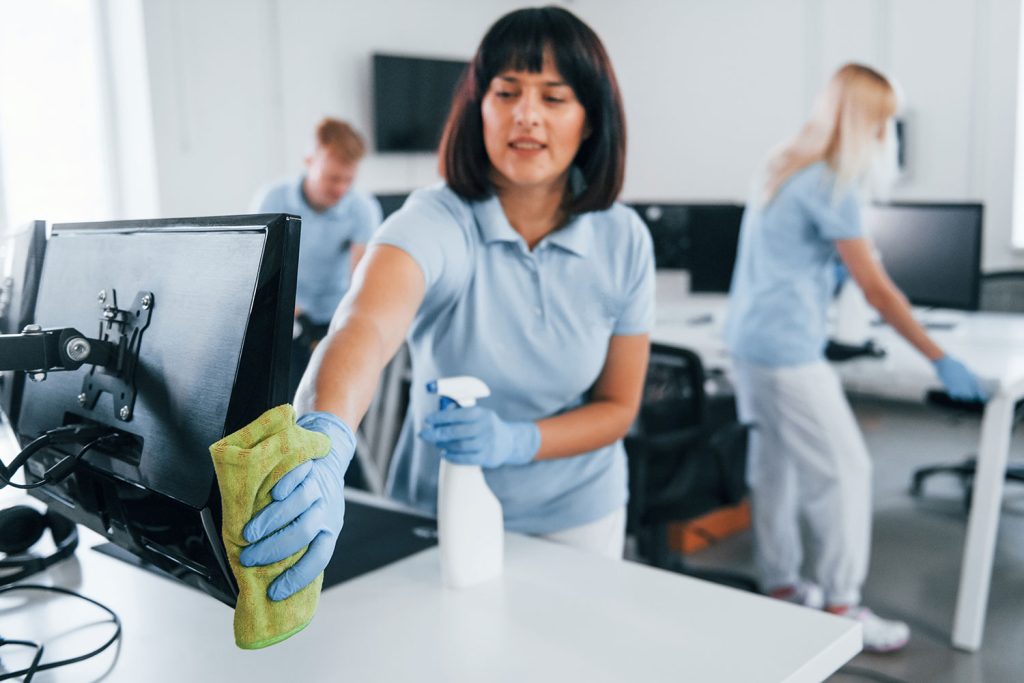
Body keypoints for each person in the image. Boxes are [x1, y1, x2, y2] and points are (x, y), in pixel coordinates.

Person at [235, 5, 654, 602]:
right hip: (440, 518)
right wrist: (322, 438)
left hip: (577, 516)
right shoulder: (440, 218)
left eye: (554, 97)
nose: (526, 115)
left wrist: (519, 441)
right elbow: (366, 326)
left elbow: (618, 406)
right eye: (506, 92)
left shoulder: (624, 238)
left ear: (590, 121)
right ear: (479, 107)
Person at [724, 63, 989, 653]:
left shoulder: (782, 164)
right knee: (846, 472)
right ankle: (843, 606)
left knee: (777, 469)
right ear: (865, 120)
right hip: (788, 349)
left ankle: (784, 587)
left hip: (748, 341)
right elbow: (877, 288)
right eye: (885, 122)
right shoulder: (830, 182)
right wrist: (937, 355)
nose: (888, 135)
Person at [254, 117, 383, 398]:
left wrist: (351, 327)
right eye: (332, 178)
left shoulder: (363, 209)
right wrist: (296, 313)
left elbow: (360, 278)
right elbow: (260, 267)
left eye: (348, 180)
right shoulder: (273, 199)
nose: (341, 189)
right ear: (309, 161)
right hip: (285, 314)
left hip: (333, 318)